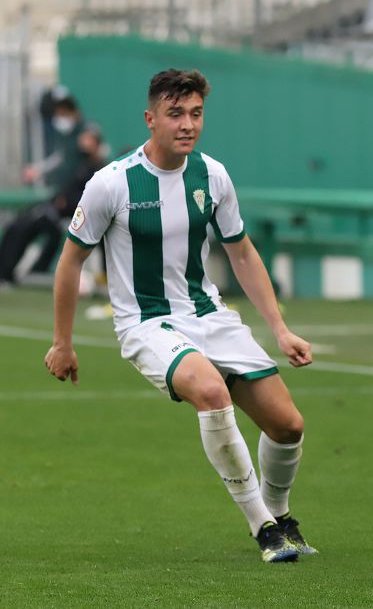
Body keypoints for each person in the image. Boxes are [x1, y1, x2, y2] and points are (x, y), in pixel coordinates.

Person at [43, 69, 317, 564]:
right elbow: (71, 261)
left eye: (195, 113)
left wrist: (279, 328)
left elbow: (242, 253)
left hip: (208, 313)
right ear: (151, 119)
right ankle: (262, 528)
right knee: (211, 392)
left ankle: (280, 515)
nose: (187, 124)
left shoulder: (212, 175)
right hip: (146, 324)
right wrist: (63, 343)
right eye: (175, 114)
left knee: (288, 426)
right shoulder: (110, 184)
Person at [0, 124, 106, 286]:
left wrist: (66, 202)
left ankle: (6, 275)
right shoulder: (78, 163)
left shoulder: (100, 169)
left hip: (70, 216)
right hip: (54, 209)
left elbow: (91, 198)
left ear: (96, 143)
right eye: (83, 138)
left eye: (88, 139)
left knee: (24, 226)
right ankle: (10, 273)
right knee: (17, 225)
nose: (83, 142)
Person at [24, 93, 86, 190]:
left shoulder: (87, 129)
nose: (60, 118)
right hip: (67, 190)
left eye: (63, 113)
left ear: (74, 112)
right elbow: (59, 157)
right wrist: (38, 169)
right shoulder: (65, 134)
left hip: (85, 188)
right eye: (57, 114)